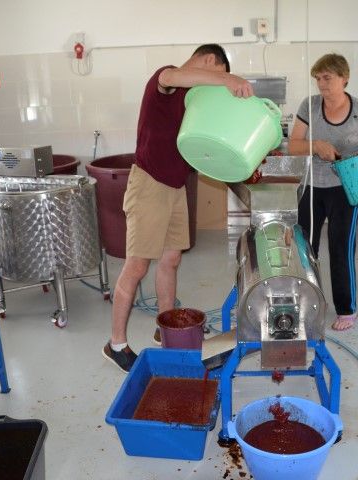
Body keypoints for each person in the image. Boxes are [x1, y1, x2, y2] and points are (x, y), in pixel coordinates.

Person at [103, 44, 254, 372]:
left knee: (170, 260)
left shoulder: (192, 100)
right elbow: (173, 76)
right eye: (218, 73)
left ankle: (165, 327)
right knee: (137, 266)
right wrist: (229, 80)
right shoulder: (168, 79)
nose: (216, 82)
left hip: (175, 187)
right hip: (149, 185)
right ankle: (115, 344)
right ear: (209, 60)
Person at [288, 53, 358, 331]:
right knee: (305, 248)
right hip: (312, 186)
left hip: (347, 188)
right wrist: (316, 146)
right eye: (318, 78)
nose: (321, 84)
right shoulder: (310, 106)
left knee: (341, 248)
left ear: (344, 78)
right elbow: (293, 145)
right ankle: (307, 301)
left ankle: (346, 309)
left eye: (327, 78)